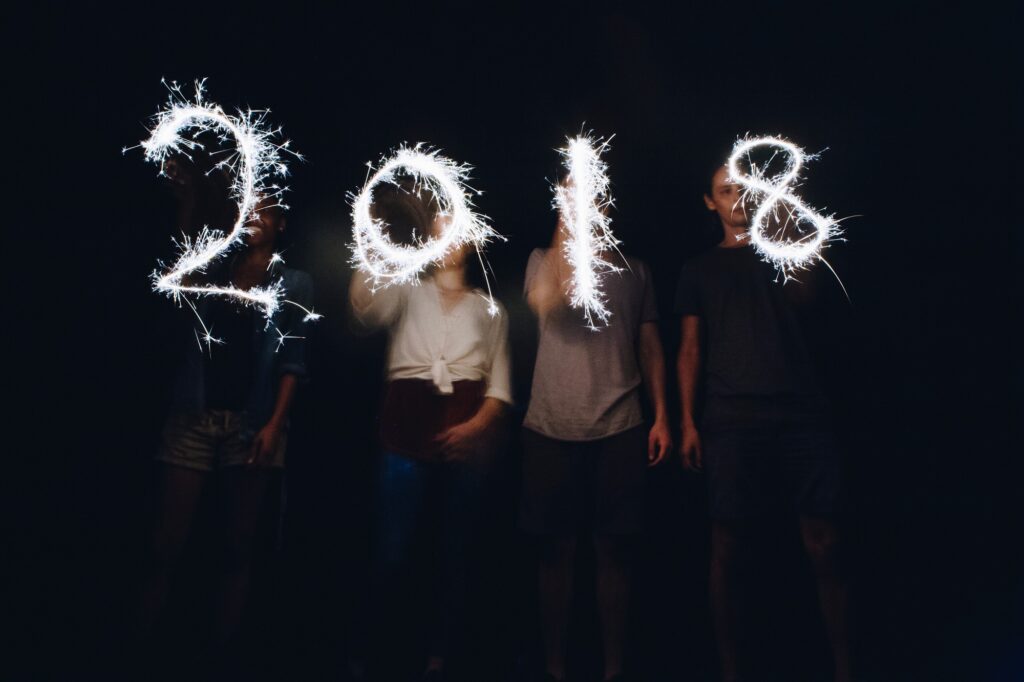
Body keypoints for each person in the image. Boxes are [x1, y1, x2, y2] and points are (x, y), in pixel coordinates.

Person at [676, 164, 851, 681]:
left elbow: (806, 297)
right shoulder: (698, 269)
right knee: (728, 545)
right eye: (726, 191)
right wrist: (687, 421)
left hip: (801, 413)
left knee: (825, 541)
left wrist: (786, 228)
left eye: (744, 189)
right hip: (731, 418)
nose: (737, 198)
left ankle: (846, 669)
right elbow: (688, 348)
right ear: (709, 201)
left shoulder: (784, 251)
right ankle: (732, 671)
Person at [137, 179, 314, 668]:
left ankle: (223, 658)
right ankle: (138, 653)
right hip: (192, 416)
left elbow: (291, 364)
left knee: (238, 548)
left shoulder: (294, 282)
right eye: (248, 206)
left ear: (281, 222)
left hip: (252, 423)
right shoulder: (214, 265)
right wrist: (190, 204)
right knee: (163, 548)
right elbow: (173, 284)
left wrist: (275, 426)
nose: (254, 214)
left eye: (266, 209)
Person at [349, 184, 512, 681]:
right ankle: (372, 653)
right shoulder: (405, 288)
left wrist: (474, 430)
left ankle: (439, 659)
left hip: (465, 439)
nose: (449, 236)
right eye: (440, 226)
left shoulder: (491, 310)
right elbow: (364, 309)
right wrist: (374, 239)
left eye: (458, 227)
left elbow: (500, 389)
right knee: (392, 551)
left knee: (455, 553)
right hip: (404, 432)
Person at [521, 191, 672, 682]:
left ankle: (613, 670)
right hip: (550, 425)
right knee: (555, 553)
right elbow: (546, 299)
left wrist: (663, 416)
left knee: (616, 553)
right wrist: (568, 222)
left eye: (593, 195)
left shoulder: (636, 269)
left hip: (621, 425)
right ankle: (555, 669)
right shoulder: (542, 259)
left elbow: (650, 345)